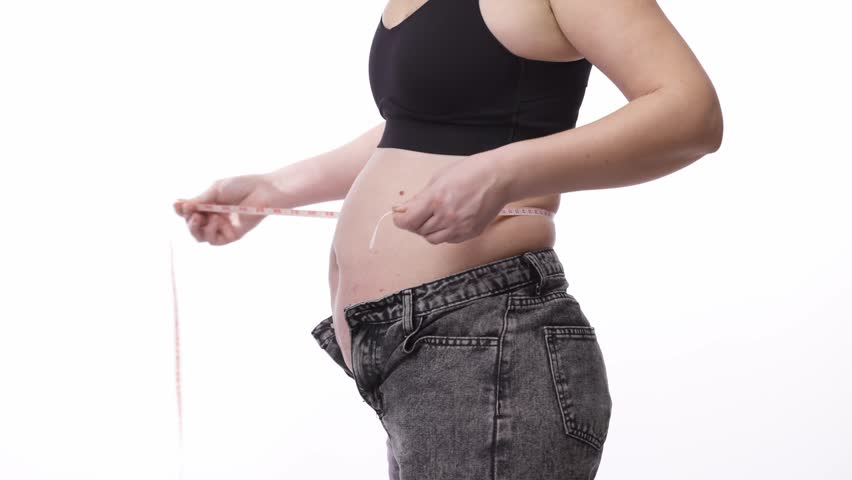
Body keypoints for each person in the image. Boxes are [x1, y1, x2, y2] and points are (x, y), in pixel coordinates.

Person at [173, 0, 723, 477]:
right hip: (423, 353)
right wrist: (274, 189)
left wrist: (503, 172)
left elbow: (690, 112)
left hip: (488, 347)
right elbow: (423, 124)